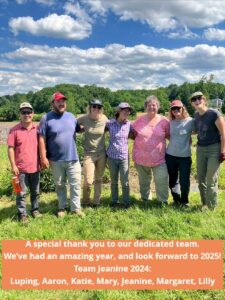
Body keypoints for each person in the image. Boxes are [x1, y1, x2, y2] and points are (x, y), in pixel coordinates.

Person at [38, 92, 84, 217]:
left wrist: (93, 124)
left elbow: (80, 129)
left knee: (75, 184)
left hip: (73, 157)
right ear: (53, 103)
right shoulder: (46, 118)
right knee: (60, 185)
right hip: (55, 159)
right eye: (58, 101)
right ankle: (62, 208)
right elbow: (41, 138)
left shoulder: (71, 116)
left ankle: (76, 209)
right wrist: (43, 157)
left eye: (63, 101)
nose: (61, 103)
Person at [190, 91, 225, 210]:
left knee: (211, 180)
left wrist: (223, 152)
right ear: (192, 104)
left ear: (204, 99)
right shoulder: (196, 115)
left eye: (199, 98)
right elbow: (197, 130)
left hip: (214, 149)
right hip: (200, 148)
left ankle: (212, 207)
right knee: (200, 180)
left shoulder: (214, 114)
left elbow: (223, 133)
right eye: (194, 100)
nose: (197, 101)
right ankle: (204, 203)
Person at [7, 102, 41, 223]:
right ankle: (22, 214)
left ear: (33, 114)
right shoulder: (14, 130)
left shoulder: (38, 129)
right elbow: (10, 148)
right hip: (20, 168)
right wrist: (13, 165)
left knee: (35, 192)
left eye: (29, 112)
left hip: (36, 166)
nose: (26, 114)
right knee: (21, 193)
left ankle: (35, 209)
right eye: (23, 112)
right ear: (20, 115)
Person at [132, 95, 170, 205]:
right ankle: (145, 199)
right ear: (145, 107)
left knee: (161, 180)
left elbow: (169, 136)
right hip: (141, 159)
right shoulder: (138, 121)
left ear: (158, 107)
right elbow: (132, 134)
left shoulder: (164, 121)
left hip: (159, 159)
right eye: (149, 105)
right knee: (144, 181)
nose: (151, 107)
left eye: (154, 105)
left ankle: (162, 201)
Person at [78, 99, 108, 207]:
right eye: (94, 106)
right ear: (90, 108)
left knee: (99, 179)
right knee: (88, 180)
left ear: (101, 109)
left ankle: (96, 202)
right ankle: (86, 201)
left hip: (101, 154)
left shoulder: (104, 119)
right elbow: (73, 124)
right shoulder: (84, 118)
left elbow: (109, 128)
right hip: (89, 154)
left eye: (99, 107)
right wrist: (80, 130)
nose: (96, 109)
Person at [166, 100, 195, 206]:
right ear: (171, 111)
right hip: (170, 155)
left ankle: (184, 201)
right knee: (173, 180)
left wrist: (189, 137)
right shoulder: (170, 122)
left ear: (183, 109)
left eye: (178, 108)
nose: (176, 110)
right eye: (173, 109)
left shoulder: (190, 121)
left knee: (184, 181)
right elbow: (167, 134)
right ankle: (176, 199)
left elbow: (196, 130)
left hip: (185, 157)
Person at [106, 102, 133, 208]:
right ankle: (114, 201)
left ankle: (126, 202)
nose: (126, 112)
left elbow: (136, 134)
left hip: (124, 157)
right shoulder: (110, 123)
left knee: (125, 181)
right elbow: (99, 129)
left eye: (128, 111)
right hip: (112, 157)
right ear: (119, 111)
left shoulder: (129, 124)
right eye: (124, 110)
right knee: (114, 181)